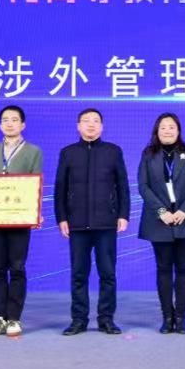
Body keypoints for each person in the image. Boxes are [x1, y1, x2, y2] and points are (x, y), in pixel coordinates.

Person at [54, 108, 130, 335]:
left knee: (108, 274)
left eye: (96, 121)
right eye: (86, 121)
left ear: (102, 127)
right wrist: (62, 217)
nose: (91, 125)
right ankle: (79, 320)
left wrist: (123, 214)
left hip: (106, 223)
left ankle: (106, 319)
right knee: (79, 274)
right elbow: (60, 189)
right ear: (78, 126)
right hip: (77, 223)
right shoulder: (68, 152)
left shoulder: (113, 151)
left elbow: (123, 186)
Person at [0, 105, 43, 337]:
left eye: (14, 119)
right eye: (5, 120)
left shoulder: (33, 151)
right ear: (0, 125)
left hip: (20, 219)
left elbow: (36, 184)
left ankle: (14, 318)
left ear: (22, 124)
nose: (10, 123)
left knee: (17, 267)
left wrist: (35, 212)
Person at [136, 113, 185, 335]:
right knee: (164, 269)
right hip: (159, 221)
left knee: (183, 268)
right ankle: (167, 317)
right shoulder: (148, 154)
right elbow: (143, 186)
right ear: (156, 131)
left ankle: (181, 317)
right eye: (163, 127)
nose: (167, 130)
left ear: (178, 130)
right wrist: (161, 212)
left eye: (172, 127)